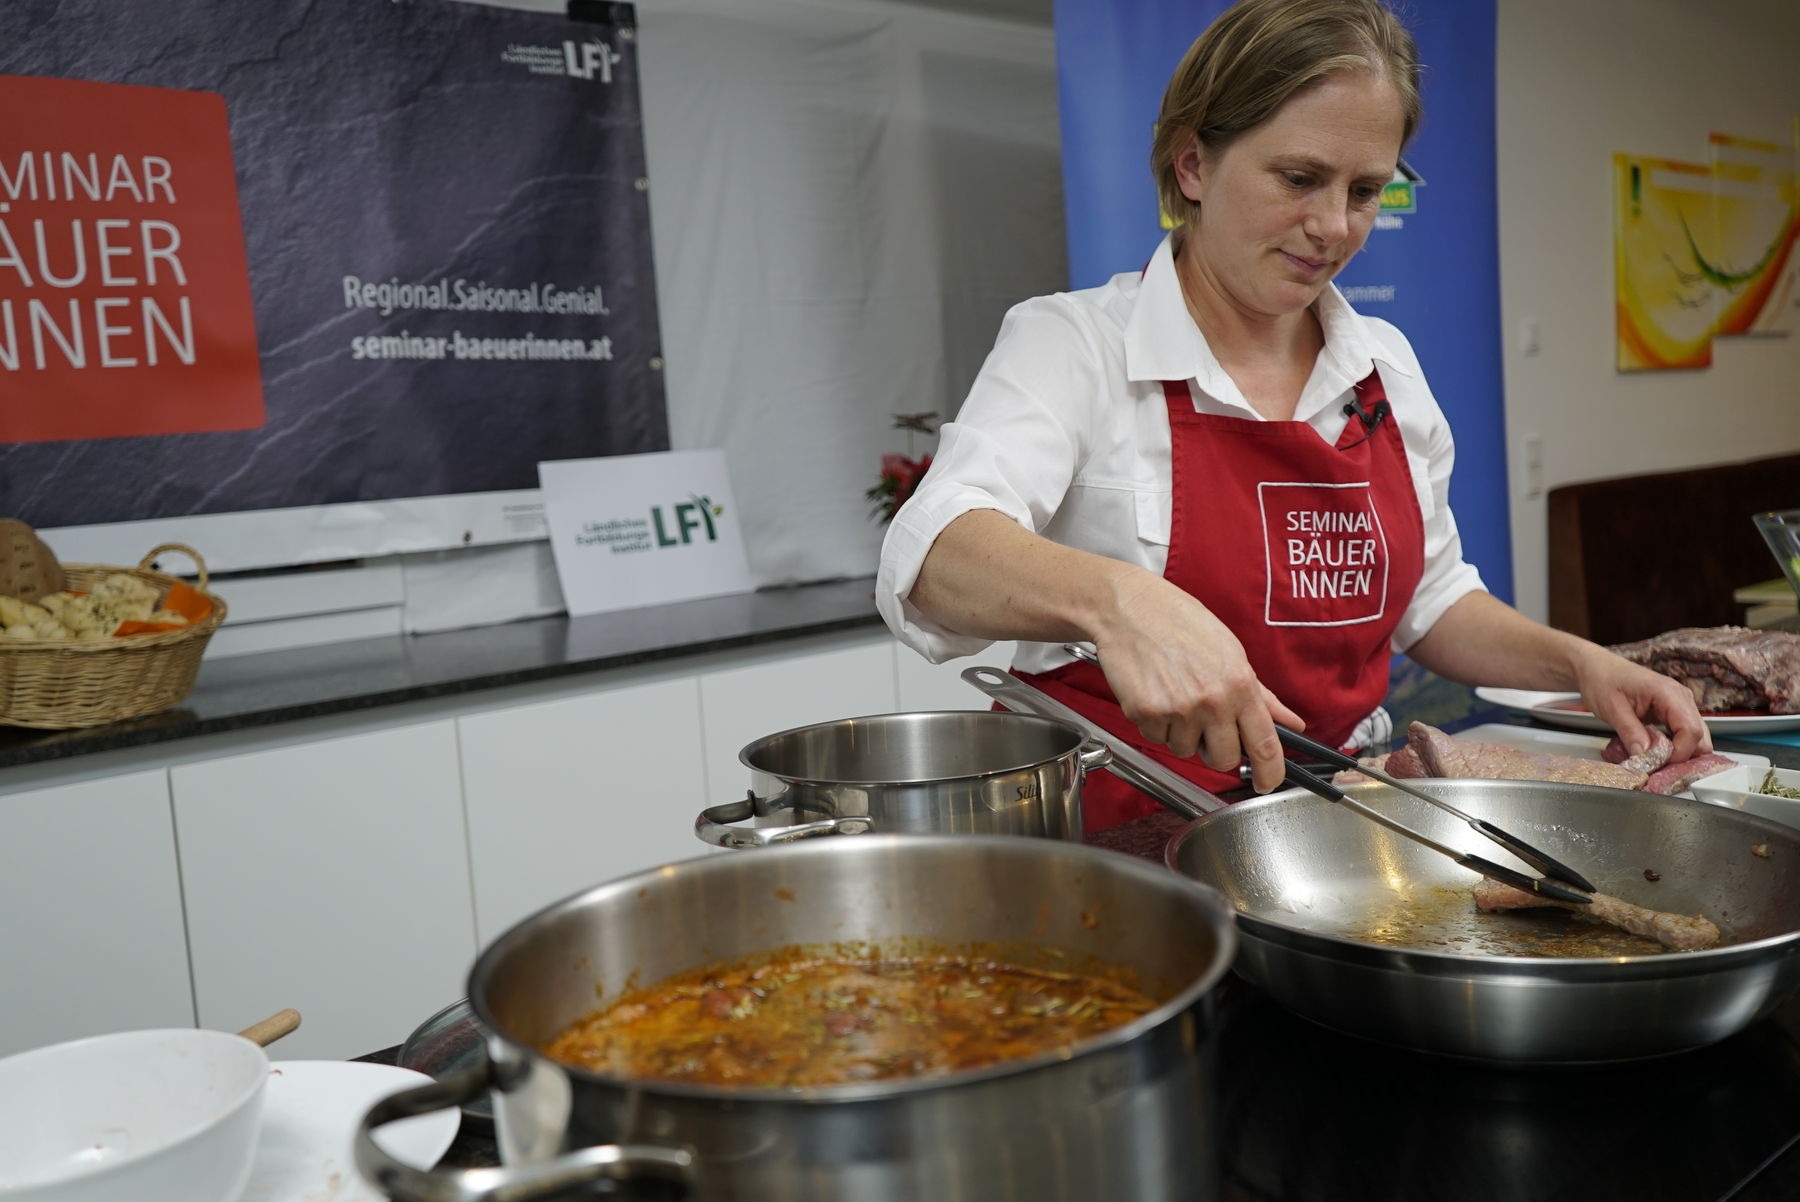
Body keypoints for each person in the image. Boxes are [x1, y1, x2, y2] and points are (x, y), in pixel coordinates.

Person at [875, 0, 1708, 832]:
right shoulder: (1077, 345)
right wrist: (1119, 602)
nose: (1333, 227)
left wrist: (1581, 664)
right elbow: (934, 552)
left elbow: (1433, 600)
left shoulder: (1384, 366)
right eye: (1299, 178)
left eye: (1365, 190)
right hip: (1110, 845)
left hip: (1326, 829)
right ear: (1193, 164)